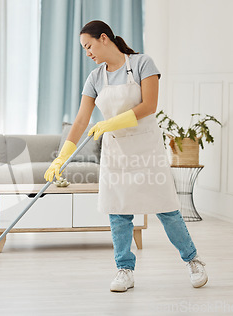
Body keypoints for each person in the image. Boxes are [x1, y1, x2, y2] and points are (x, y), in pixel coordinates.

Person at [44, 20, 207, 292]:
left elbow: (149, 105)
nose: (88, 53)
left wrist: (110, 123)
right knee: (119, 213)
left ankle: (193, 261)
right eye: (85, 49)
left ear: (104, 38)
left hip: (147, 149)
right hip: (117, 152)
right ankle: (124, 270)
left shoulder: (143, 63)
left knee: (167, 209)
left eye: (89, 46)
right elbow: (81, 120)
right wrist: (61, 157)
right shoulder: (95, 78)